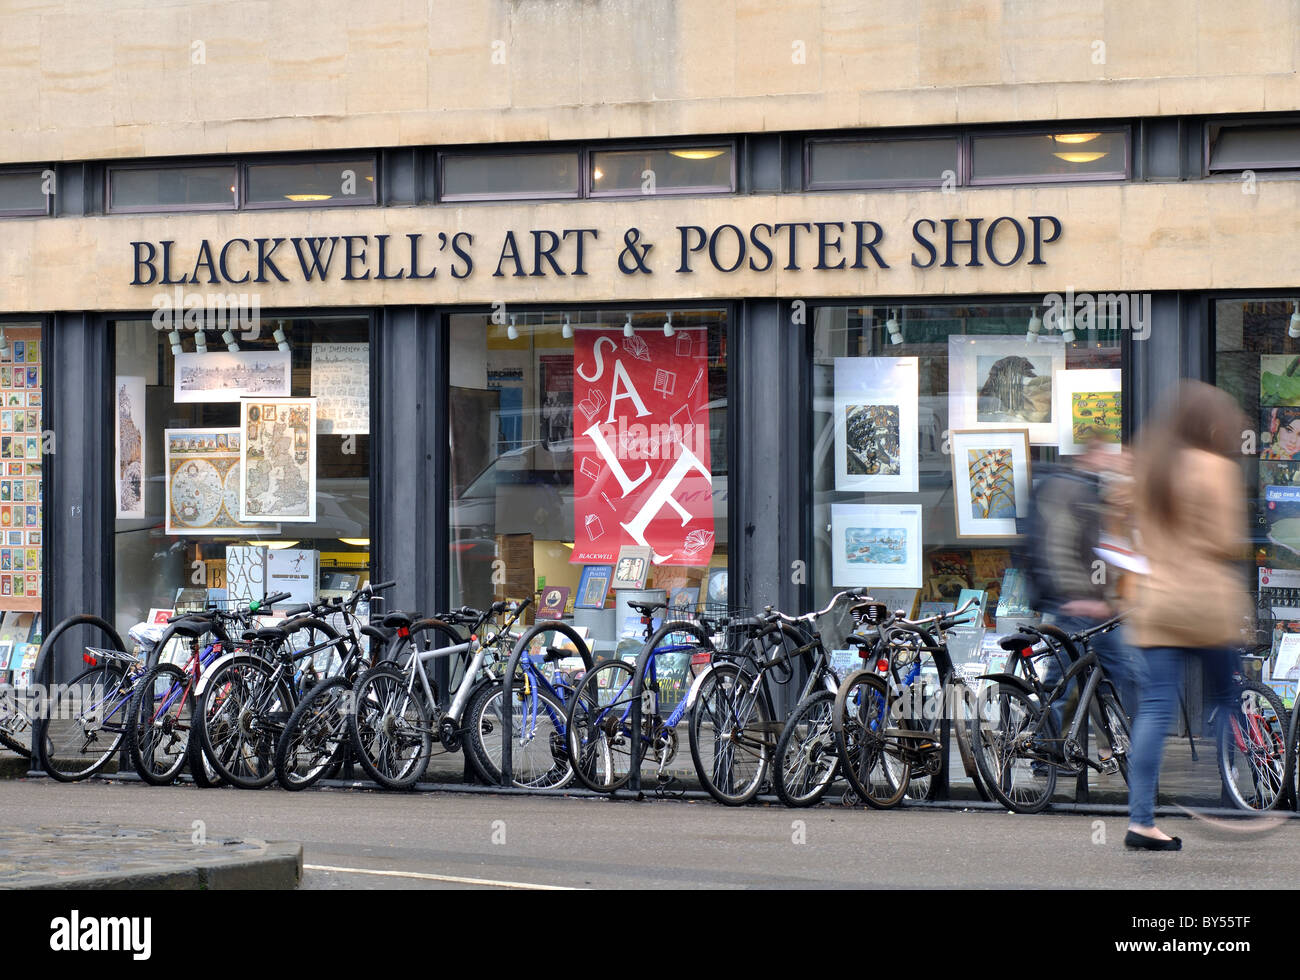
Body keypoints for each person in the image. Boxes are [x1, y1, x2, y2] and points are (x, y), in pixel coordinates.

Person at [1126, 380, 1249, 851]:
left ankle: (1141, 821)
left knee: (1155, 710)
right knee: (1226, 695)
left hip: (1156, 606)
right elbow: (1225, 540)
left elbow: (1130, 534)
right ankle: (1234, 796)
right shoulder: (1215, 469)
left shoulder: (1150, 468)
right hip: (1201, 606)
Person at [1030, 438, 1139, 738]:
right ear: (1093, 454)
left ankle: (1116, 744)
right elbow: (1061, 548)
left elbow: (1097, 547)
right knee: (1066, 681)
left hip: (1089, 605)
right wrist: (1078, 596)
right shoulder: (1071, 488)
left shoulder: (1088, 488)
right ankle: (1049, 751)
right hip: (1078, 605)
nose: (1110, 460)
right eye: (1106, 454)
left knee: (1095, 675)